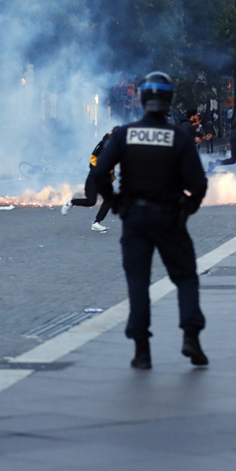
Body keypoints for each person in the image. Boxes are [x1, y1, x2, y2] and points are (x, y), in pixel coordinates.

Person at [92, 72, 208, 370]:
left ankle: (142, 350)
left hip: (135, 217)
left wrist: (117, 204)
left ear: (142, 99)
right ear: (169, 101)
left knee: (138, 281)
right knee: (185, 277)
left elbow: (99, 173)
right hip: (170, 215)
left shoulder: (124, 134)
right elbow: (199, 184)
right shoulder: (179, 137)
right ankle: (191, 338)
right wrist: (186, 209)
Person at [61, 128, 118, 232]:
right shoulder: (104, 143)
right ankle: (72, 201)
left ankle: (96, 223)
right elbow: (93, 159)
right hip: (94, 177)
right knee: (91, 201)